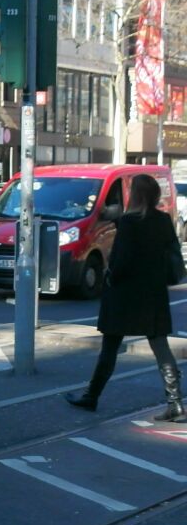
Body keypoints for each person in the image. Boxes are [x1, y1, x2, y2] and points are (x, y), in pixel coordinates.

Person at [66, 175, 185, 422]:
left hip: (125, 294)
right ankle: (176, 404)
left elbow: (120, 262)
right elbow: (171, 255)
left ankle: (91, 396)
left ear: (136, 195)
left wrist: (110, 276)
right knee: (160, 346)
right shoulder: (163, 220)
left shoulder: (128, 223)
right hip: (153, 293)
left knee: (110, 347)